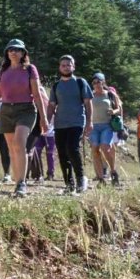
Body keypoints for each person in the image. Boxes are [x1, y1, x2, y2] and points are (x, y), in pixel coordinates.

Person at [0, 39, 48, 197]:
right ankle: (18, 183)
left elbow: (37, 95)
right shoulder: (4, 71)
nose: (13, 52)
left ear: (23, 53)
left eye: (17, 49)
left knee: (19, 144)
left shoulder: (30, 69)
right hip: (6, 110)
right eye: (10, 49)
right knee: (12, 149)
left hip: (26, 110)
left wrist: (43, 118)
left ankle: (21, 183)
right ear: (7, 53)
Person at [46, 55, 94, 195]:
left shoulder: (80, 82)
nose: (66, 67)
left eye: (69, 65)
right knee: (62, 153)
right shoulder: (56, 86)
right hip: (60, 124)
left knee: (72, 148)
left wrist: (90, 122)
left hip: (77, 122)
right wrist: (46, 121)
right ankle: (69, 184)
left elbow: (88, 103)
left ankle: (81, 179)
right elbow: (51, 106)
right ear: (59, 67)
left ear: (73, 66)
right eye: (63, 65)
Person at [88, 73, 122, 187]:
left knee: (105, 147)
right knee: (95, 151)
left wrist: (114, 111)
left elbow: (118, 108)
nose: (96, 84)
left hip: (106, 125)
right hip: (93, 126)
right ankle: (101, 179)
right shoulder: (90, 95)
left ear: (103, 82)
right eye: (94, 82)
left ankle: (113, 171)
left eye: (98, 82)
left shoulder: (110, 94)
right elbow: (86, 110)